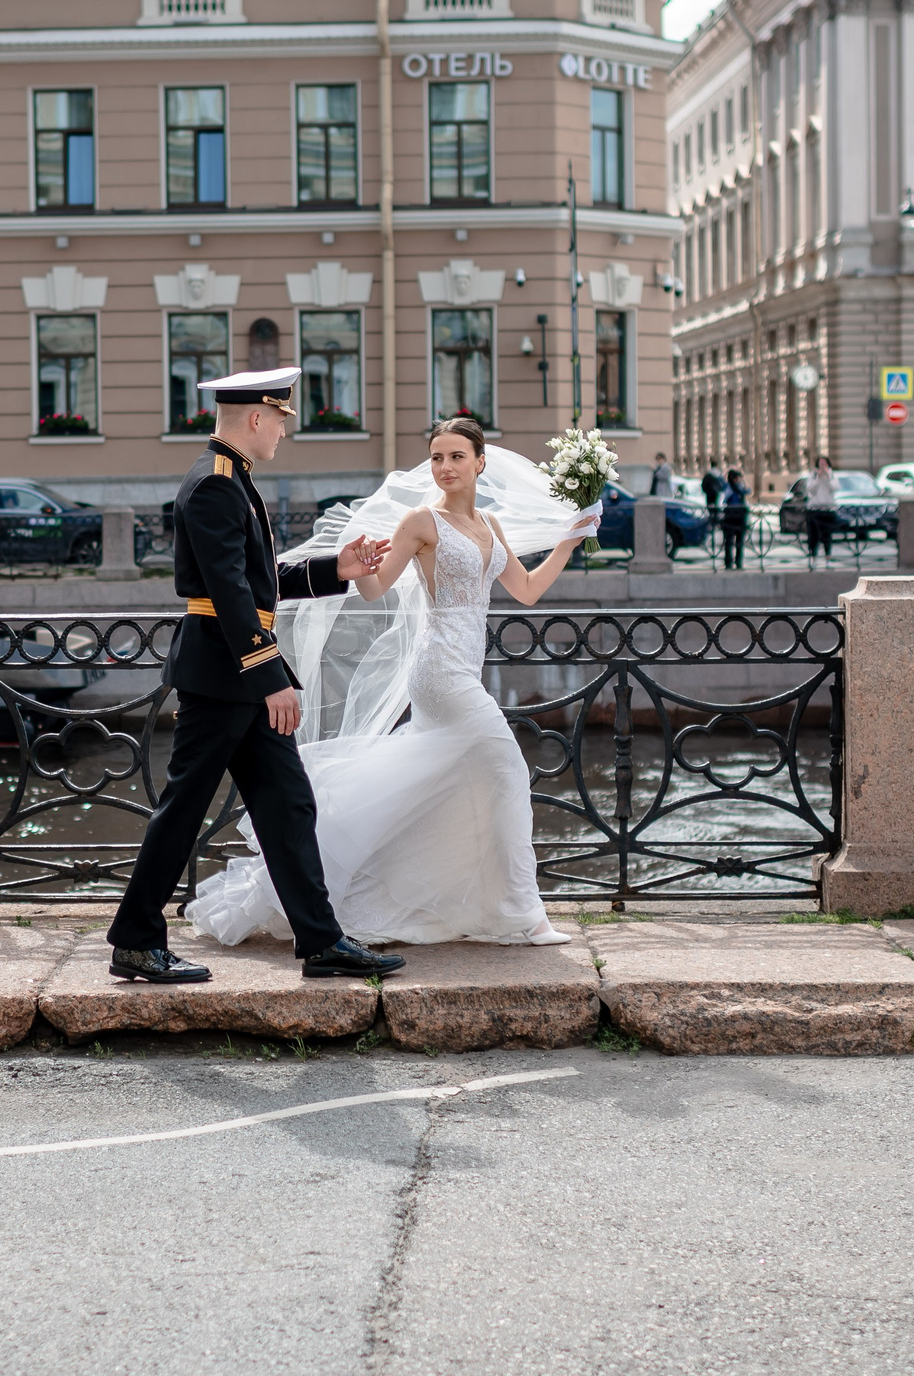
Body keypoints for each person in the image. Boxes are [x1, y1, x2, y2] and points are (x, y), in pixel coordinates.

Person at [186, 417, 599, 948]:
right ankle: (526, 914)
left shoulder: (491, 526)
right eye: (436, 457)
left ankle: (464, 904)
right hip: (440, 671)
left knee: (459, 787)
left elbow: (526, 590)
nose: (445, 467)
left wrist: (569, 541)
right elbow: (377, 588)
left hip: (465, 667)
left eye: (456, 457)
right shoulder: (421, 522)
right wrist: (358, 569)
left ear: (480, 463)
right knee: (507, 769)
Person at [107, 367, 404, 986]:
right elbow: (230, 594)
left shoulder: (231, 478)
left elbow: (261, 580)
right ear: (257, 417)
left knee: (287, 804)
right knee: (184, 808)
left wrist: (338, 568)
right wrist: (270, 677)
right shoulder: (216, 484)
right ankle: (135, 940)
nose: (283, 433)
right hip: (225, 675)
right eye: (281, 421)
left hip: (236, 672)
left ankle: (321, 942)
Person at [801, 454, 838, 562]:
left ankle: (828, 556)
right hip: (814, 509)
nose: (822, 465)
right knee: (813, 535)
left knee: (827, 534)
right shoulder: (812, 475)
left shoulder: (831, 474)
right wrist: (818, 478)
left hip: (828, 509)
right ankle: (813, 556)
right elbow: (810, 490)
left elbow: (835, 488)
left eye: (824, 463)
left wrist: (827, 477)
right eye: (820, 463)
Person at [719, 468, 750, 568]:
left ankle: (734, 562)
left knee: (734, 541)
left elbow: (748, 491)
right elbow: (747, 490)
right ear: (733, 478)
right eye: (737, 477)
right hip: (733, 516)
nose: (739, 479)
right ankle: (734, 562)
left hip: (734, 516)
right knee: (733, 541)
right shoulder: (730, 487)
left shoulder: (734, 486)